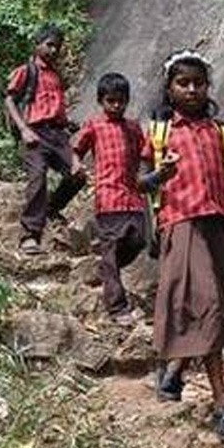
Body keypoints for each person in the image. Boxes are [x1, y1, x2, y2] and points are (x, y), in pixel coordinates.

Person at [142, 49, 224, 441]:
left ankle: (175, 371)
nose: (192, 90)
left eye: (198, 83)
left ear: (208, 87)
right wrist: (158, 175)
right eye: (183, 83)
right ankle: (223, 404)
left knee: (217, 305)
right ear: (169, 89)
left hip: (219, 226)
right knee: (207, 302)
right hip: (181, 223)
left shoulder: (220, 132)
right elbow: (139, 181)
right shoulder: (159, 134)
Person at [74, 72, 175, 326]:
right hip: (108, 197)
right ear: (101, 101)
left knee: (138, 240)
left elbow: (146, 154)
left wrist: (158, 170)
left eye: (121, 101)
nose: (117, 105)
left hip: (132, 196)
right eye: (111, 101)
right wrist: (75, 164)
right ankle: (117, 307)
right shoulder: (94, 126)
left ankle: (109, 268)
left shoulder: (133, 127)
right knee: (111, 247)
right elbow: (76, 148)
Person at [5, 24, 85, 255]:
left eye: (57, 46)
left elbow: (54, 107)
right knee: (38, 177)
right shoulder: (26, 71)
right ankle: (30, 234)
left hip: (58, 135)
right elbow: (9, 100)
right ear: (37, 45)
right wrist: (23, 129)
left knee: (78, 175)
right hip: (34, 132)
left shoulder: (56, 76)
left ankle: (51, 208)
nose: (53, 50)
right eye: (49, 45)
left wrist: (67, 123)